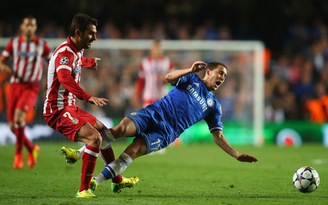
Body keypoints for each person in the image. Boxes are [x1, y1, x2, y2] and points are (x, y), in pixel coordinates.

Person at [65, 60, 258, 192]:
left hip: (166, 132)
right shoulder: (191, 79)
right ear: (208, 71)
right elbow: (169, 78)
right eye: (220, 73)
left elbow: (218, 135)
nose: (222, 78)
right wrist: (191, 69)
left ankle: (95, 182)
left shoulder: (214, 105)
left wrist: (236, 154)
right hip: (153, 113)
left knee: (131, 152)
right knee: (120, 129)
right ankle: (80, 152)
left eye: (225, 76)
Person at [42, 13, 138, 198]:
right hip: (57, 110)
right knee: (95, 139)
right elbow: (63, 77)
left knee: (104, 132)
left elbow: (75, 62)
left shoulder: (77, 50)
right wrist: (87, 97)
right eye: (91, 33)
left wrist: (88, 62)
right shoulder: (64, 53)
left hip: (70, 107)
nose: (95, 37)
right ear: (78, 32)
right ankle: (83, 190)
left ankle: (116, 181)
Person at [0, 15, 52, 169]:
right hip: (15, 86)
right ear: (22, 27)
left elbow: (52, 61)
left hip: (31, 87)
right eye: (27, 25)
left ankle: (18, 155)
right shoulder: (14, 44)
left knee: (18, 118)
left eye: (32, 25)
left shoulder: (41, 45)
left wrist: (49, 81)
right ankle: (31, 148)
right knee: (12, 126)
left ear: (35, 28)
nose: (29, 28)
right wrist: (4, 67)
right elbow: (2, 61)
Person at [132, 39, 174, 109]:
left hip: (163, 97)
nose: (157, 51)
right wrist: (137, 95)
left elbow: (174, 79)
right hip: (149, 98)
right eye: (155, 49)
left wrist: (165, 79)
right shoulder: (145, 63)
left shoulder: (167, 63)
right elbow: (141, 81)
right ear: (151, 50)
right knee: (149, 118)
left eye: (159, 49)